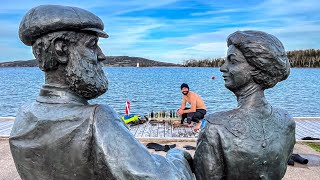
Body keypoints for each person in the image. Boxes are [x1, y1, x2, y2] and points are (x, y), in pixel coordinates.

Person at [9, 5, 194, 180]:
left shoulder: (23, 116)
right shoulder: (96, 119)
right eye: (92, 45)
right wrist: (177, 157)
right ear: (61, 50)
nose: (101, 55)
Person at [194, 30, 295, 180]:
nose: (222, 67)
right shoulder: (287, 121)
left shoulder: (215, 128)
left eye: (232, 61)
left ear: (257, 68)